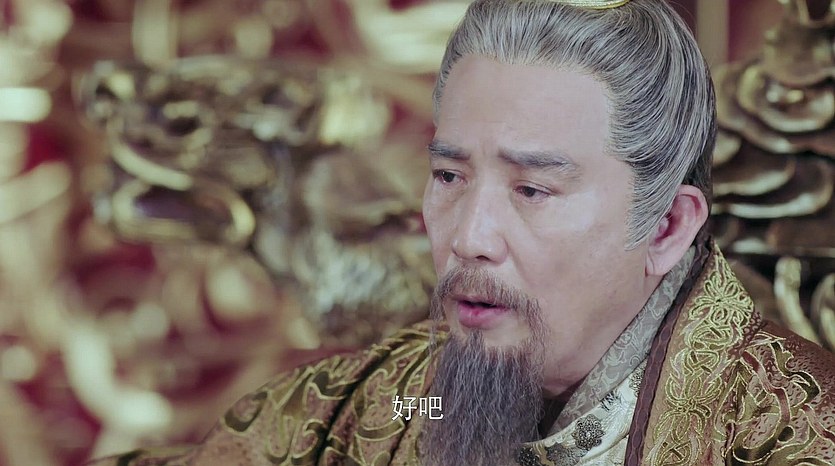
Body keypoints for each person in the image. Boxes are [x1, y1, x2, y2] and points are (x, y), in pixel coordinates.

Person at [89, 0, 835, 465]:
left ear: (668, 226)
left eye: (532, 190)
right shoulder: (395, 402)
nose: (468, 237)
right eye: (448, 177)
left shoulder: (786, 434)